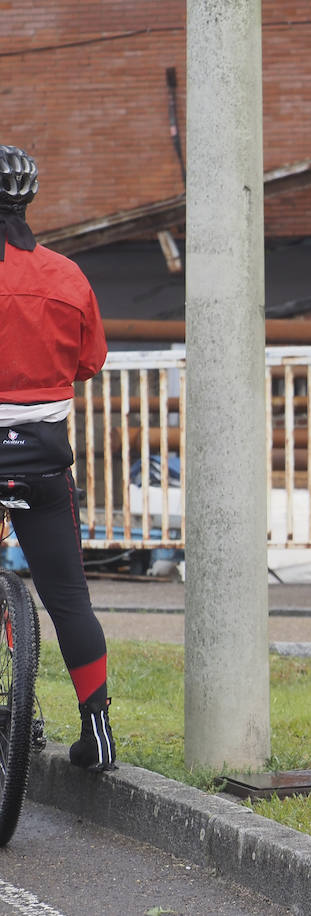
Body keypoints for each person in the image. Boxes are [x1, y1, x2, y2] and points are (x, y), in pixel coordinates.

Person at [0, 145, 117, 773]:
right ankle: (98, 735)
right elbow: (89, 363)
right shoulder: (67, 276)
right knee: (70, 599)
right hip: (43, 458)